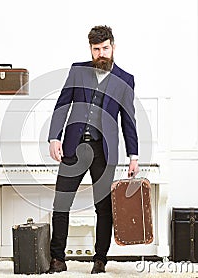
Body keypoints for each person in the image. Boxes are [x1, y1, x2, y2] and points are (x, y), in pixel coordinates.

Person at [47, 25, 139, 274]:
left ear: (113, 47)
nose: (101, 53)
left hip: (104, 151)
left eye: (105, 48)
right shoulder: (78, 71)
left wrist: (134, 156)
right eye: (96, 49)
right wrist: (54, 138)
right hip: (74, 147)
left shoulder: (125, 79)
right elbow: (62, 104)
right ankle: (57, 258)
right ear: (91, 49)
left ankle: (100, 259)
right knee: (61, 203)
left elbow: (128, 120)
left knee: (104, 208)